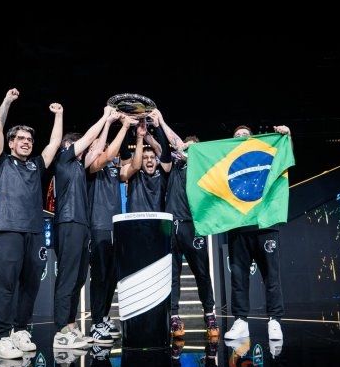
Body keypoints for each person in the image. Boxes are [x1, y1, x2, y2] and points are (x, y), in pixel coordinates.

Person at [0, 88, 63, 359]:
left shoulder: (35, 165)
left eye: (29, 139)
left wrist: (59, 115)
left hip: (35, 231)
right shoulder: (0, 162)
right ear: (11, 143)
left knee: (31, 285)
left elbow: (54, 143)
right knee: (7, 285)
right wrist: (7, 101)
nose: (26, 142)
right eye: (20, 138)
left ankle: (20, 330)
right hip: (9, 229)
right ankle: (0, 338)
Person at [52, 106, 117, 349]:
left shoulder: (79, 166)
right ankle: (61, 331)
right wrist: (104, 116)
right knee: (68, 278)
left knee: (79, 278)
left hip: (82, 225)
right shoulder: (63, 159)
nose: (84, 148)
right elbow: (90, 139)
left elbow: (97, 149)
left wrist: (109, 124)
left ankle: (70, 326)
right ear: (68, 146)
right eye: (77, 145)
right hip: (68, 222)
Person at [224, 124, 291, 343]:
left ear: (253, 139)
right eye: (236, 136)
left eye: (245, 135)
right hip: (238, 228)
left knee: (271, 276)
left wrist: (286, 136)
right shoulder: (225, 164)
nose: (241, 137)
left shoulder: (264, 156)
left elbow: (284, 156)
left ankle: (274, 321)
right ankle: (241, 322)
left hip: (265, 226)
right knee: (238, 278)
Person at [87, 114, 137, 341]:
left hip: (116, 226)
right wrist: (123, 127)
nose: (105, 149)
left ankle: (104, 316)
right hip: (99, 225)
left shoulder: (115, 169)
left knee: (111, 276)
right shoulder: (92, 167)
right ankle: (96, 323)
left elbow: (134, 166)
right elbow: (106, 155)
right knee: (100, 276)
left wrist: (140, 137)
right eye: (99, 146)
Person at [165, 133, 220, 339]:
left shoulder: (202, 169)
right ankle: (174, 317)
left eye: (192, 149)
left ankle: (209, 314)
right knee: (172, 275)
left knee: (202, 273)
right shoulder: (173, 165)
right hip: (171, 225)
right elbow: (172, 144)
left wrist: (190, 154)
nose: (186, 151)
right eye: (186, 148)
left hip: (193, 226)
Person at [122, 110, 173, 212]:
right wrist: (126, 126)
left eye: (152, 157)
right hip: (136, 220)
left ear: (157, 160)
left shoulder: (163, 171)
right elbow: (124, 153)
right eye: (145, 158)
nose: (149, 160)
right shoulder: (134, 173)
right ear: (140, 161)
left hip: (159, 219)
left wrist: (157, 126)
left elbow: (165, 152)